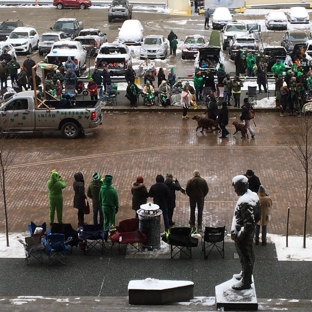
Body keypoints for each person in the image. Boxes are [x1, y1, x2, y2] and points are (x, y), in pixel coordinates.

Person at [231, 175, 260, 290]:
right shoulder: (253, 196)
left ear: (242, 187)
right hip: (247, 235)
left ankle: (246, 282)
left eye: (236, 187)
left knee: (246, 257)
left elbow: (249, 224)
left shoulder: (245, 202)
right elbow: (257, 216)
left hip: (243, 237)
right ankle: (244, 274)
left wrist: (239, 236)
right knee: (247, 256)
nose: (235, 190)